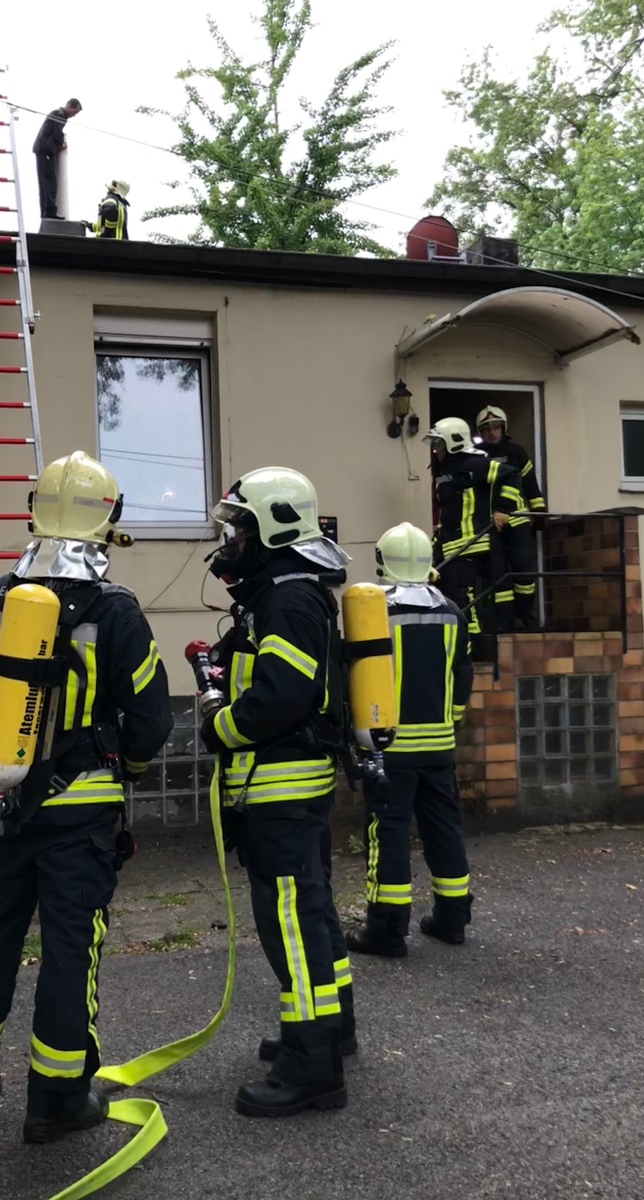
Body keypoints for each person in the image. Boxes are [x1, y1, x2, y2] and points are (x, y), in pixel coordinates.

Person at [0, 450, 173, 1143]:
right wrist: (121, 766)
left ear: (33, 513)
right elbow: (152, 721)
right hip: (81, 816)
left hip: (1, 807)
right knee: (71, 949)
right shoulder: (116, 609)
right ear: (108, 521)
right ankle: (59, 1100)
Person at [199, 466, 356, 1118]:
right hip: (290, 788)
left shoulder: (286, 598)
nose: (228, 542)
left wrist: (221, 728)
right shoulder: (282, 592)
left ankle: (310, 1068)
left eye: (236, 529)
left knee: (290, 925)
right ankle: (329, 1031)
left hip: (280, 791)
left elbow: (282, 696)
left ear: (269, 528)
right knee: (311, 916)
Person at [346, 522, 474, 957]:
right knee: (444, 830)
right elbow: (462, 675)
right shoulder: (452, 611)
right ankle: (453, 920)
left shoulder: (375, 611)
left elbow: (359, 674)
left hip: (390, 748)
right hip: (439, 747)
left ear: (383, 561)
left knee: (390, 833)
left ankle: (386, 929)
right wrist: (450, 721)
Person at [425, 417, 522, 635]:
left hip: (474, 542)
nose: (435, 449)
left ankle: (474, 641)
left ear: (454, 442)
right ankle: (469, 640)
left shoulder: (474, 464)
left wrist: (503, 508)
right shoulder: (444, 468)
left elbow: (512, 474)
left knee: (463, 593)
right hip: (454, 543)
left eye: (439, 444)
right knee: (452, 593)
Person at [476, 405, 546, 630]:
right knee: (497, 574)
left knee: (523, 569)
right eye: (486, 428)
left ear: (503, 428)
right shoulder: (477, 456)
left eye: (495, 427)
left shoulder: (516, 451)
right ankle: (504, 621)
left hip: (517, 521)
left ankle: (526, 616)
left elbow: (529, 484)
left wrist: (540, 512)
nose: (491, 432)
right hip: (490, 523)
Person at [33, 99, 82, 219]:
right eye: (74, 112)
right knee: (50, 182)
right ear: (69, 106)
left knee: (44, 182)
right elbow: (57, 133)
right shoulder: (59, 115)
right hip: (46, 151)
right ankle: (50, 211)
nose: (73, 116)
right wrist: (61, 144)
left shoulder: (57, 114)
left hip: (42, 150)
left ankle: (45, 212)